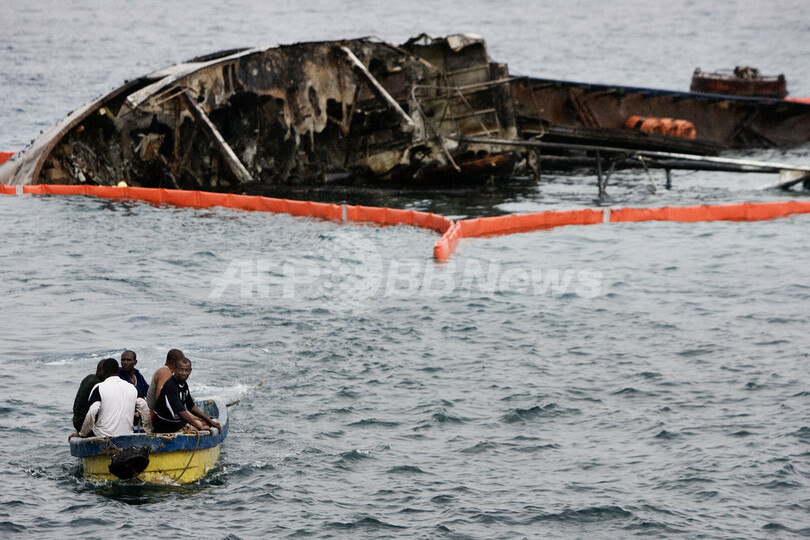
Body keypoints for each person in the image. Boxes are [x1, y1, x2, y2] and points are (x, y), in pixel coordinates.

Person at [70, 358, 152, 438]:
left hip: (102, 436)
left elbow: (92, 412)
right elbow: (145, 409)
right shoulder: (132, 388)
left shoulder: (98, 388)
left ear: (104, 371)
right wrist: (148, 431)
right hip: (127, 436)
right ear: (118, 370)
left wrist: (82, 433)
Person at [153, 357, 221, 433]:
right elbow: (181, 412)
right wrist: (199, 427)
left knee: (208, 423)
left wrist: (209, 420)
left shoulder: (184, 384)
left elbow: (191, 406)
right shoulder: (171, 386)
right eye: (181, 369)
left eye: (186, 370)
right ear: (175, 369)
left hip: (177, 423)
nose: (184, 373)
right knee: (205, 426)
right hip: (167, 427)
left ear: (190, 371)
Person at [72, 360, 104, 432]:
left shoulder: (89, 378)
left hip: (78, 421)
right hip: (84, 424)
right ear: (101, 371)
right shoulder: (97, 384)